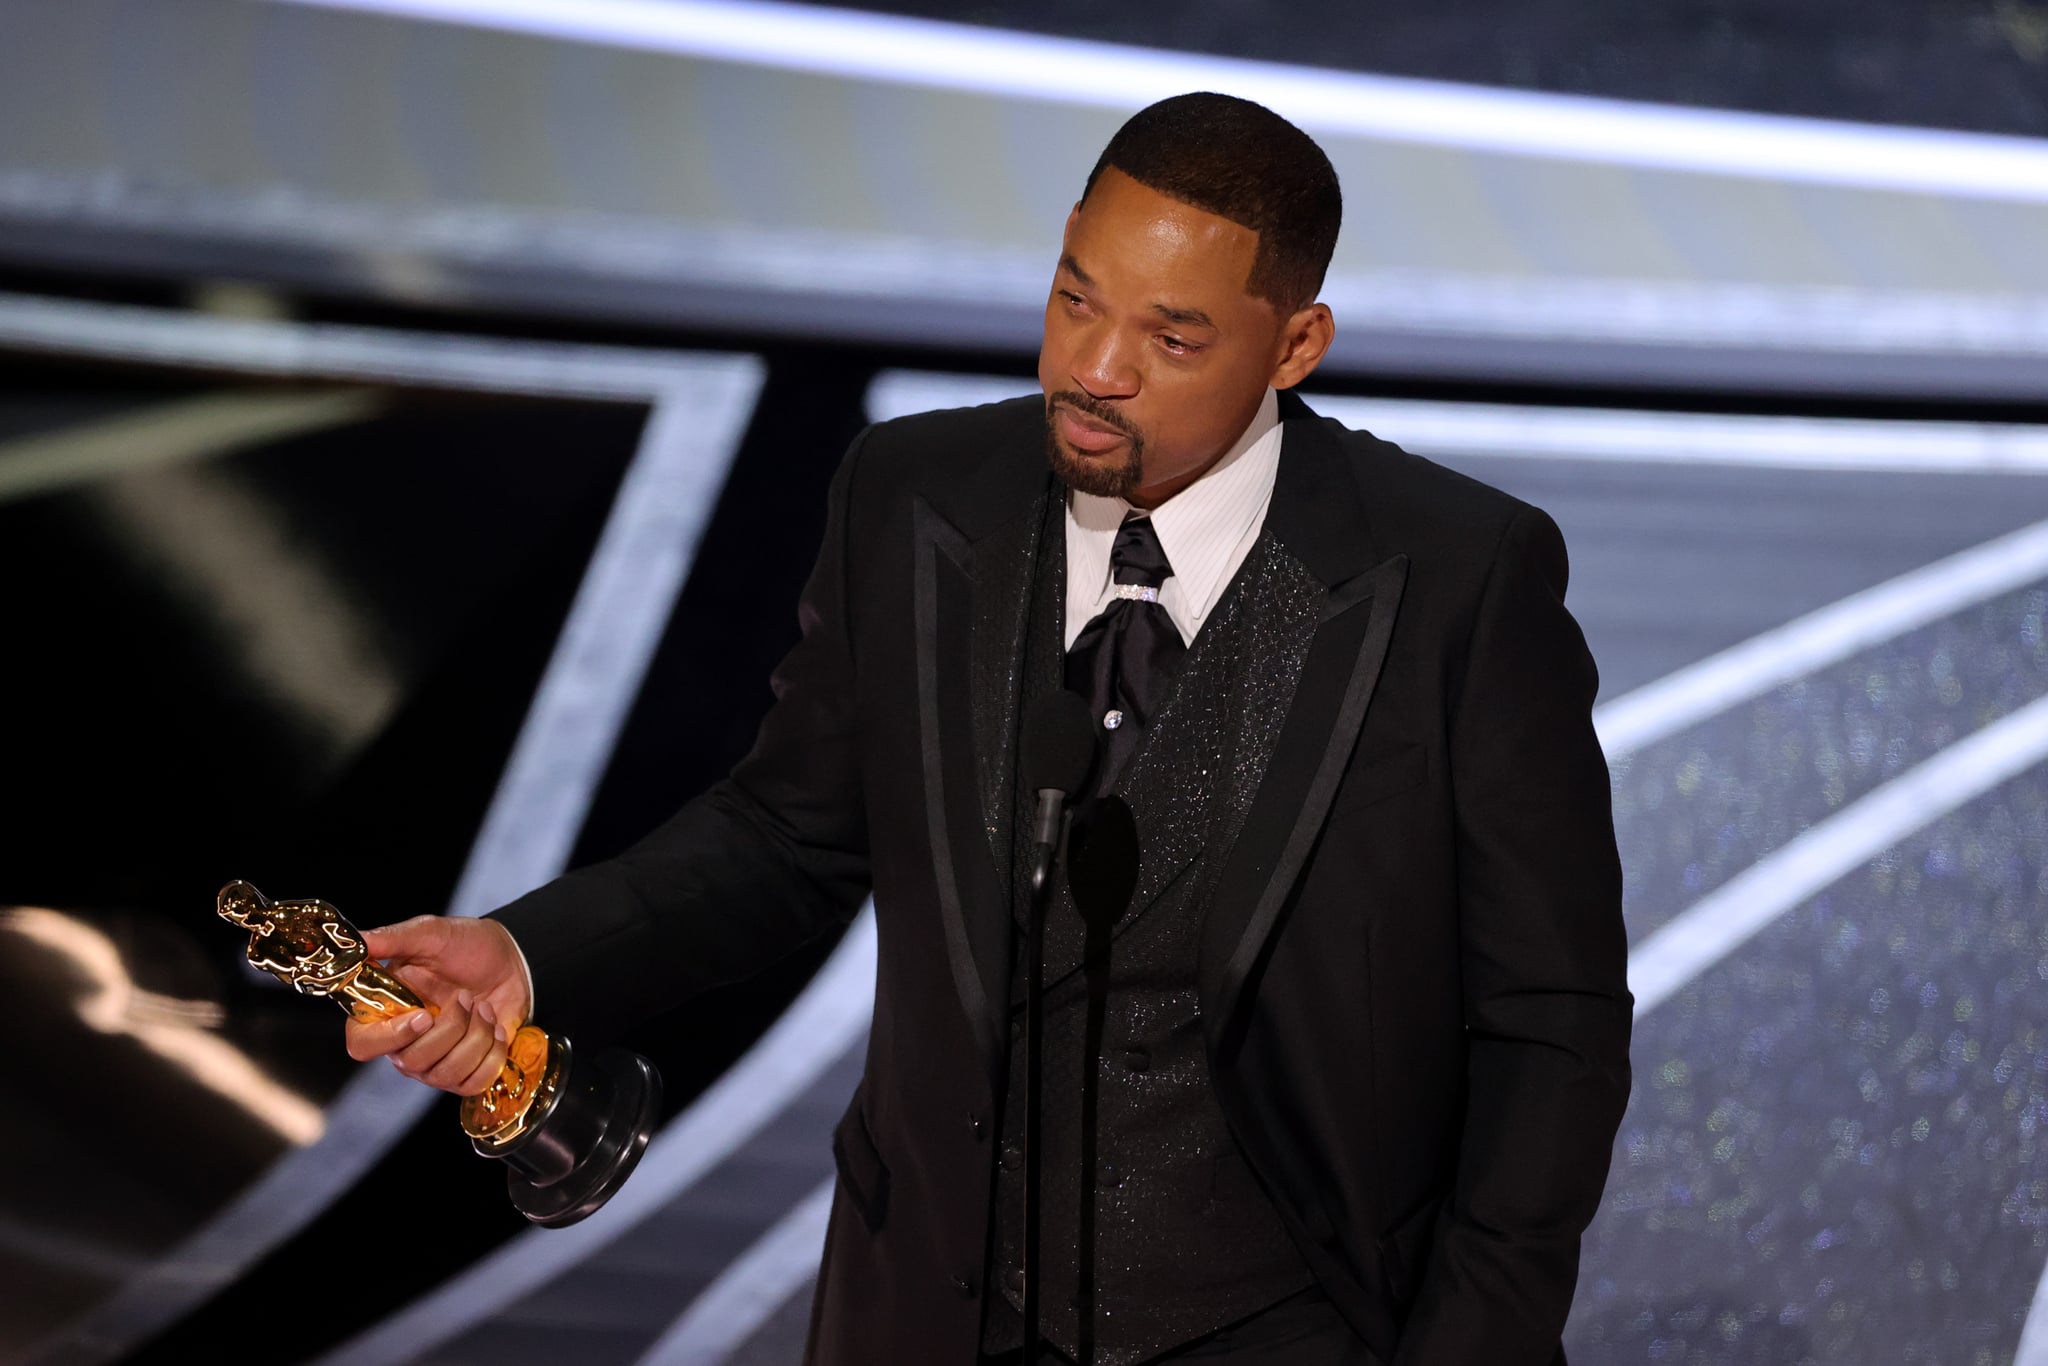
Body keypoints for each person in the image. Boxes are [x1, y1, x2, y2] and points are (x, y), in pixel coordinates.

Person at [344, 92, 1633, 1366]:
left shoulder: (1458, 578)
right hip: (929, 1314)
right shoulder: (912, 497)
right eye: (1077, 295)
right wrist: (532, 955)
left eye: (1172, 340)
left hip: (1292, 1326)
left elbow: (1549, 1021)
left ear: (1295, 346)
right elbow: (787, 836)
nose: (1096, 369)